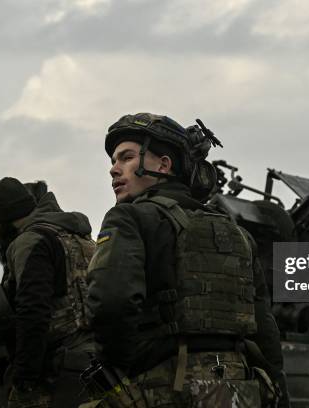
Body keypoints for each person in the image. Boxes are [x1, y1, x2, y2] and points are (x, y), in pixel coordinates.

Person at [85, 113, 290, 407]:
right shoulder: (236, 231)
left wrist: (120, 369)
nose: (114, 170)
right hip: (236, 388)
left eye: (126, 158)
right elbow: (264, 328)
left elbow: (111, 303)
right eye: (113, 162)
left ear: (164, 165)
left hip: (164, 386)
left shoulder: (128, 218)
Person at [0, 177, 96, 408]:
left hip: (56, 372)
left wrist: (23, 379)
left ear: (7, 216)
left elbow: (33, 311)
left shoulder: (29, 242)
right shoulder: (78, 236)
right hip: (96, 363)